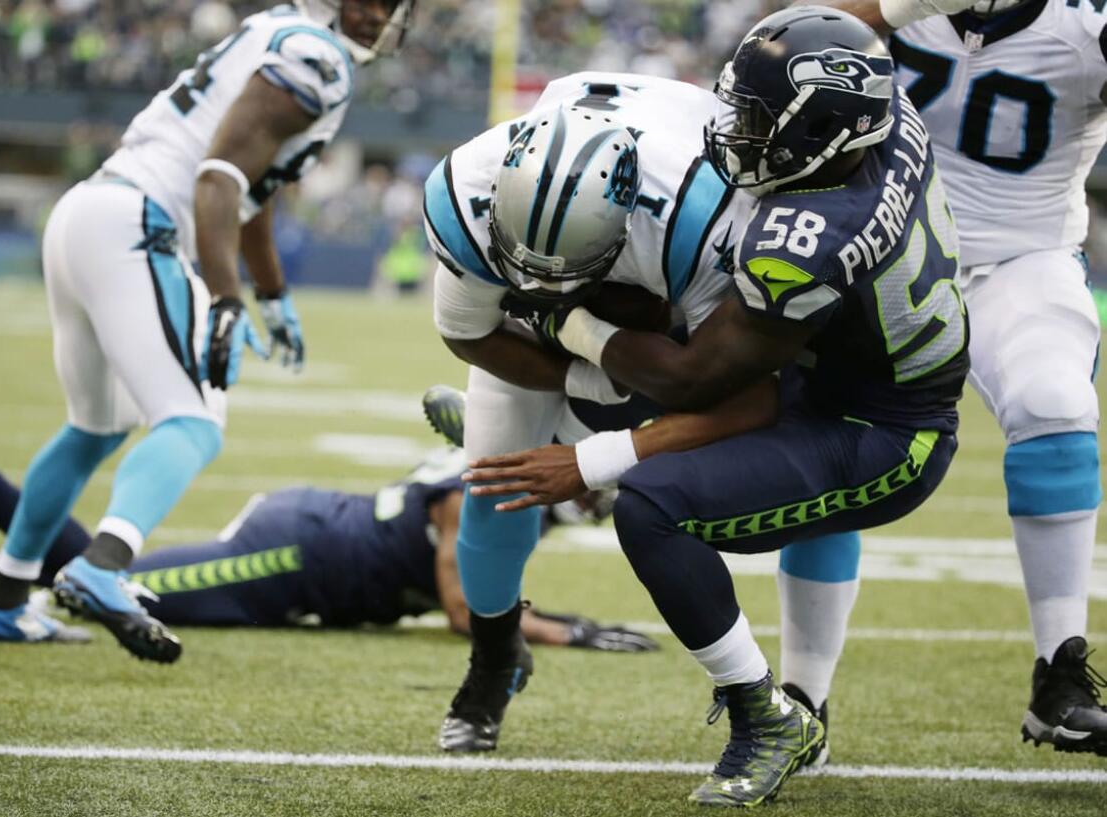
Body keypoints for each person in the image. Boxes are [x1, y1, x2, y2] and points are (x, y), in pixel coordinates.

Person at [464, 8, 970, 806]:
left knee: (654, 505)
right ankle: (579, 428)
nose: (734, 129)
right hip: (837, 378)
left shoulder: (808, 238)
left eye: (758, 119)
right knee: (660, 380)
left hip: (879, 431)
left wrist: (570, 323)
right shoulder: (885, 112)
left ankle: (764, 713)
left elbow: (699, 380)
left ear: (828, 127)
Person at [0, 1, 415, 663]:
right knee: (194, 418)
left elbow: (248, 188)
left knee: (94, 428)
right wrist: (228, 299)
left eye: (389, 3)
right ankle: (102, 563)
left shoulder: (274, 32)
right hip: (139, 224)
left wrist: (274, 295)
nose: (377, 15)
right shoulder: (319, 58)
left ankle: (2, 599)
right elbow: (220, 176)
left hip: (90, 212)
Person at [424, 70, 791, 755]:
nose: (542, 284)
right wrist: (587, 381)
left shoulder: (698, 213)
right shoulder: (466, 190)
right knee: (493, 486)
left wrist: (618, 415)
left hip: (665, 305)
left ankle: (805, 691)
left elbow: (731, 385)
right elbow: (468, 333)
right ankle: (494, 655)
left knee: (757, 432)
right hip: (547, 327)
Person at [777, 0, 1107, 758]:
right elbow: (791, 37)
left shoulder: (1084, 23)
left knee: (1054, 402)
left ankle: (1059, 676)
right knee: (829, 443)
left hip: (1020, 262)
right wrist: (903, 5)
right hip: (883, 257)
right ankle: (802, 700)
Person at [0, 414, 656, 652]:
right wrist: (567, 630)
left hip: (311, 547)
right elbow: (464, 611)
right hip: (294, 553)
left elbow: (479, 590)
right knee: (120, 587)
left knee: (117, 582)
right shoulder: (477, 493)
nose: (592, 499)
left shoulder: (501, 478)